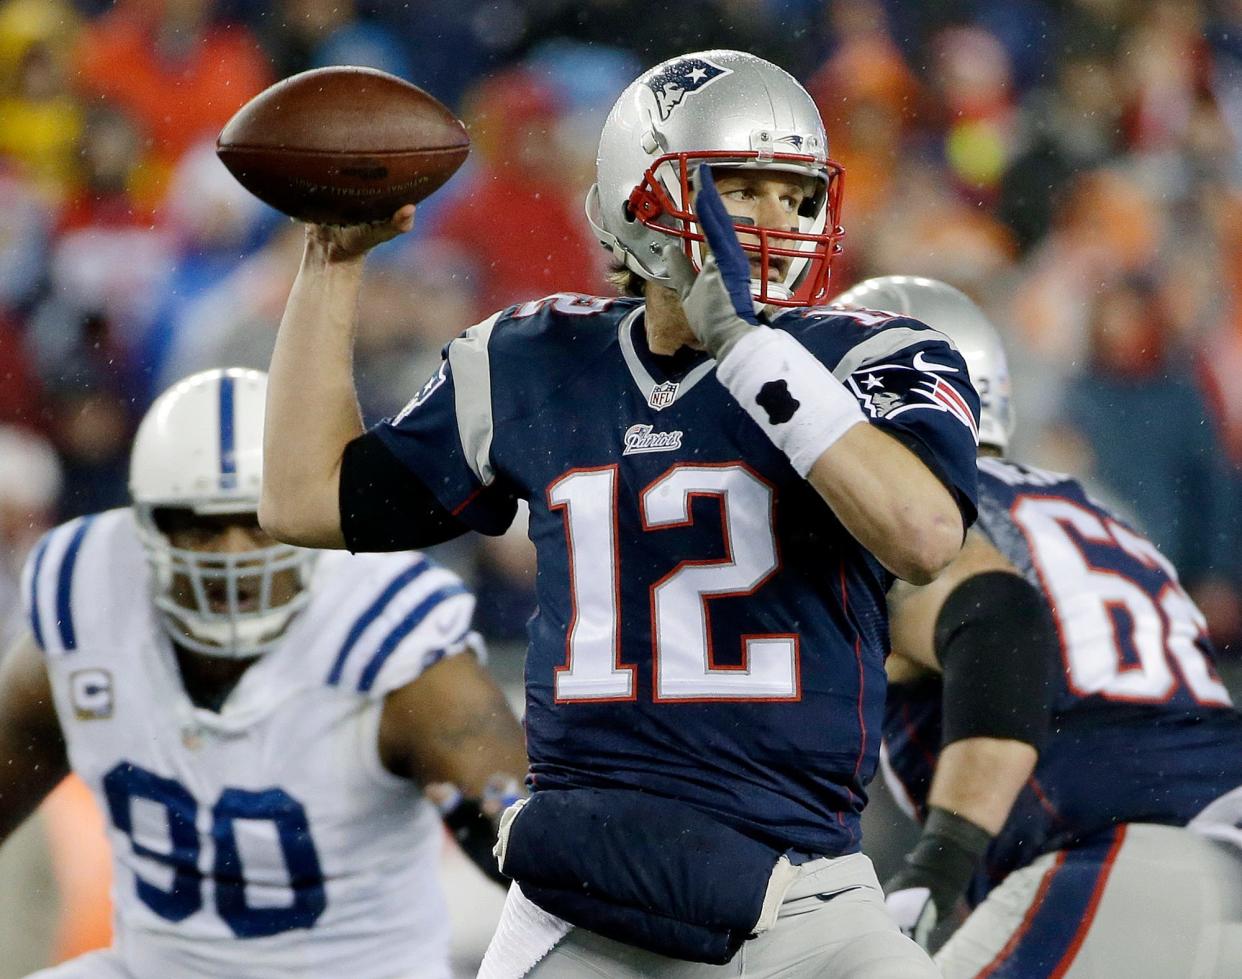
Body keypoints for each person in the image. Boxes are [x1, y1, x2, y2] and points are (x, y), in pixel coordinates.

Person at [261, 50, 982, 978]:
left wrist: (749, 354)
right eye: (739, 188)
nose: (776, 221)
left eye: (796, 195)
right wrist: (332, 262)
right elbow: (303, 497)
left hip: (810, 894)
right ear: (639, 199)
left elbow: (923, 536)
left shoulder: (868, 355)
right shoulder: (535, 360)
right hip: (594, 902)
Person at [0, 367, 528, 979]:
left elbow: (523, 847)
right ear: (147, 525)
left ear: (299, 514)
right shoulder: (88, 601)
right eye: (199, 523)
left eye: (256, 521)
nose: (232, 556)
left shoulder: (390, 637)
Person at [835, 276, 1242, 978]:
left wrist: (939, 864)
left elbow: (995, 626)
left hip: (1122, 861)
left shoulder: (914, 526)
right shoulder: (1092, 507)